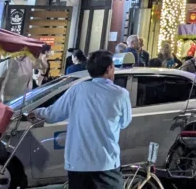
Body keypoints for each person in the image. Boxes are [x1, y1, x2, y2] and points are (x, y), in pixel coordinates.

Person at [33, 51, 132, 189]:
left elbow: (53, 114)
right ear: (109, 68)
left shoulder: (78, 89)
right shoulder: (120, 94)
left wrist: (35, 112)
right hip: (105, 162)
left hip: (77, 163)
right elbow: (125, 122)